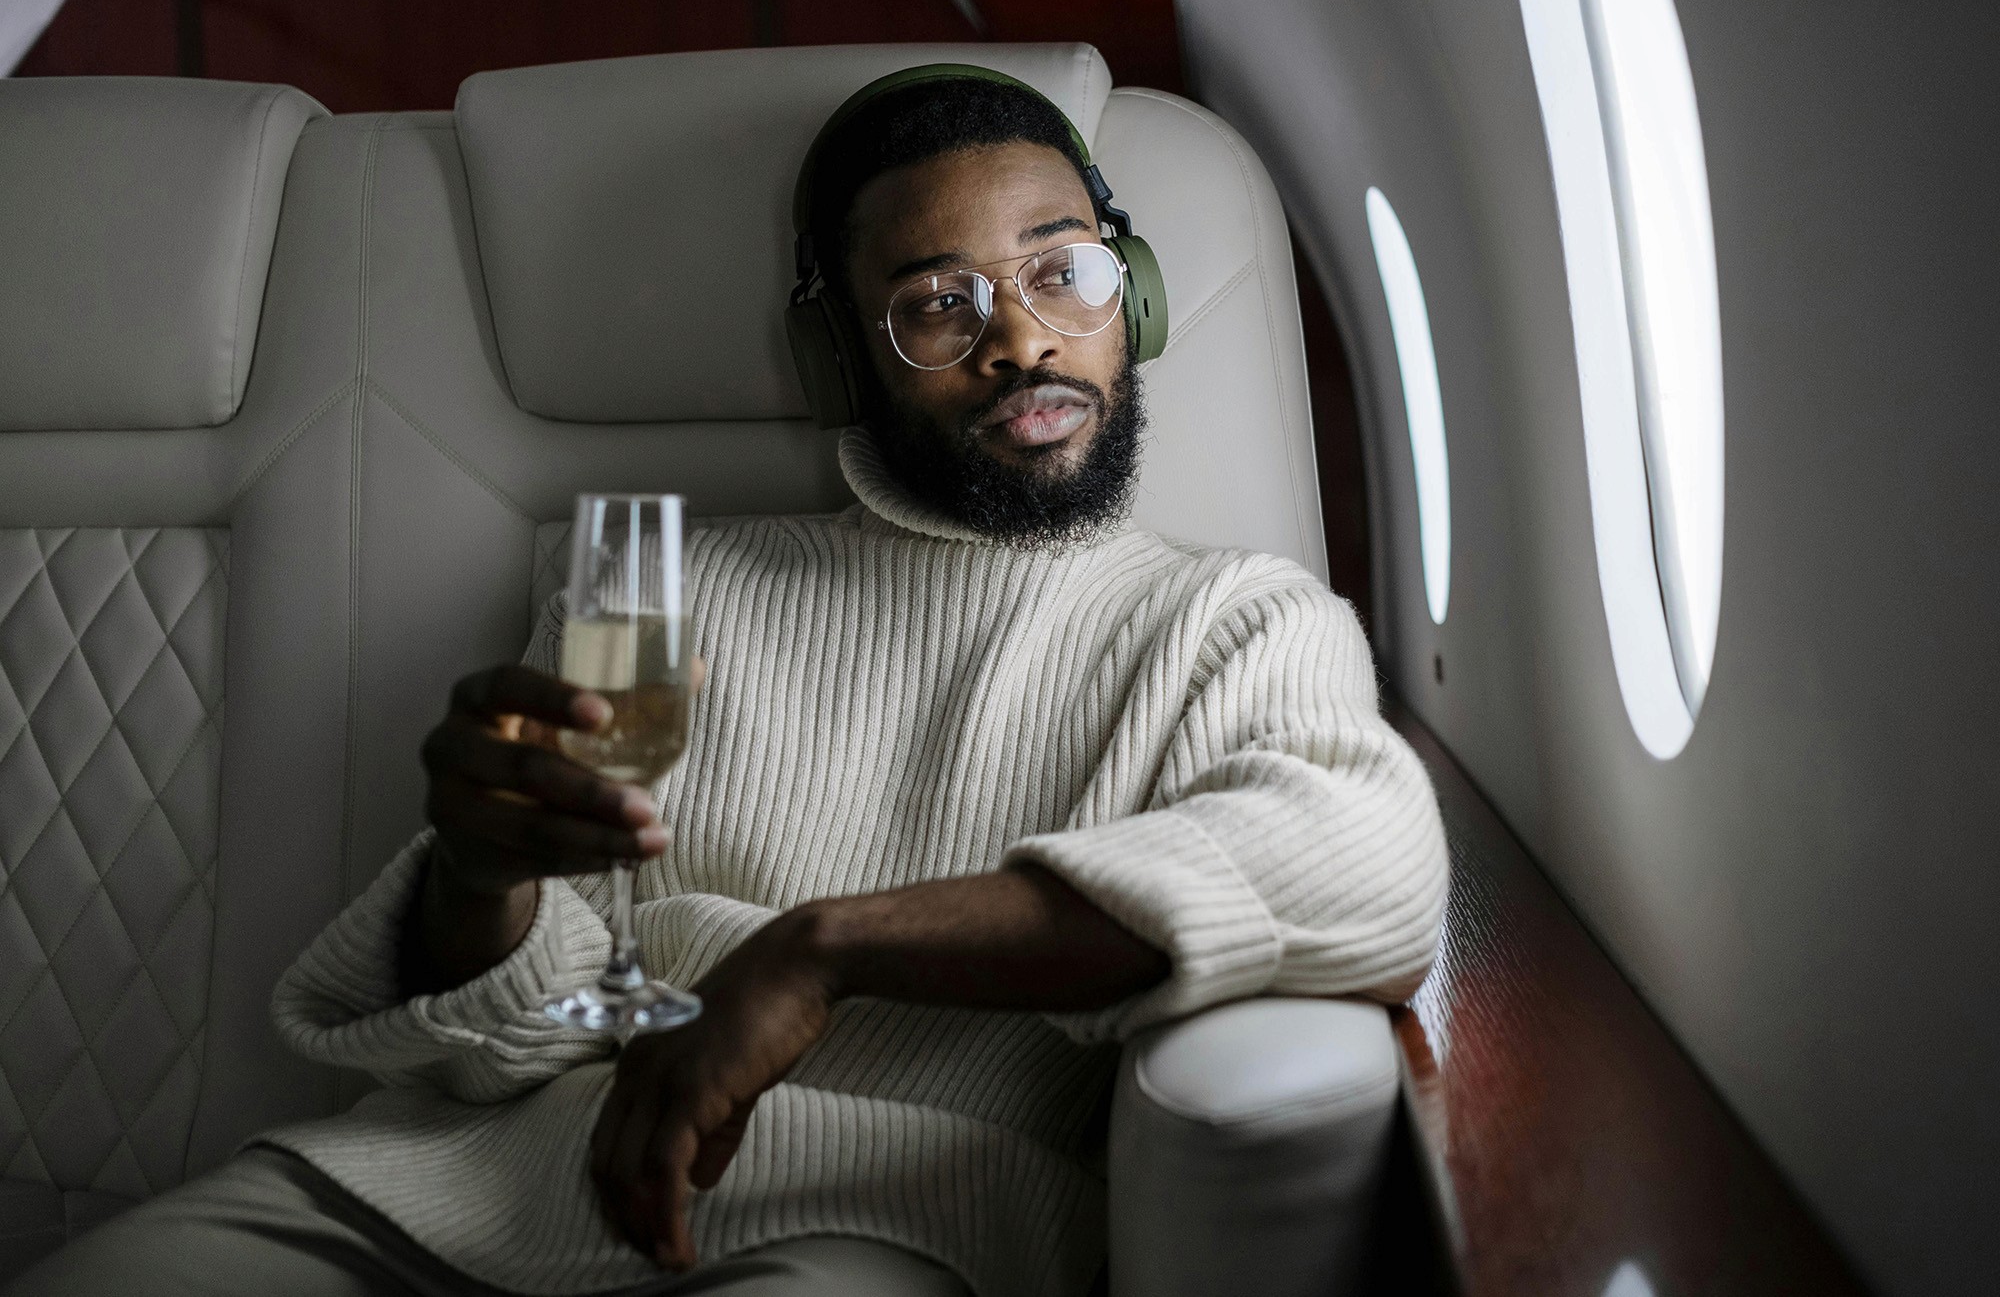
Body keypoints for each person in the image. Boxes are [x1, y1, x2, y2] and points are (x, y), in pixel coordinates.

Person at [7, 68, 1447, 1297]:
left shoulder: (1231, 622)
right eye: (936, 305)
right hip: (434, 1196)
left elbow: (1365, 870)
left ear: (1130, 294)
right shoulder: (657, 585)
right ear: (847, 360)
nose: (1019, 338)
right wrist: (480, 875)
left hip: (873, 1220)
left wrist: (820, 951)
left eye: (1059, 269)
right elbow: (549, 1014)